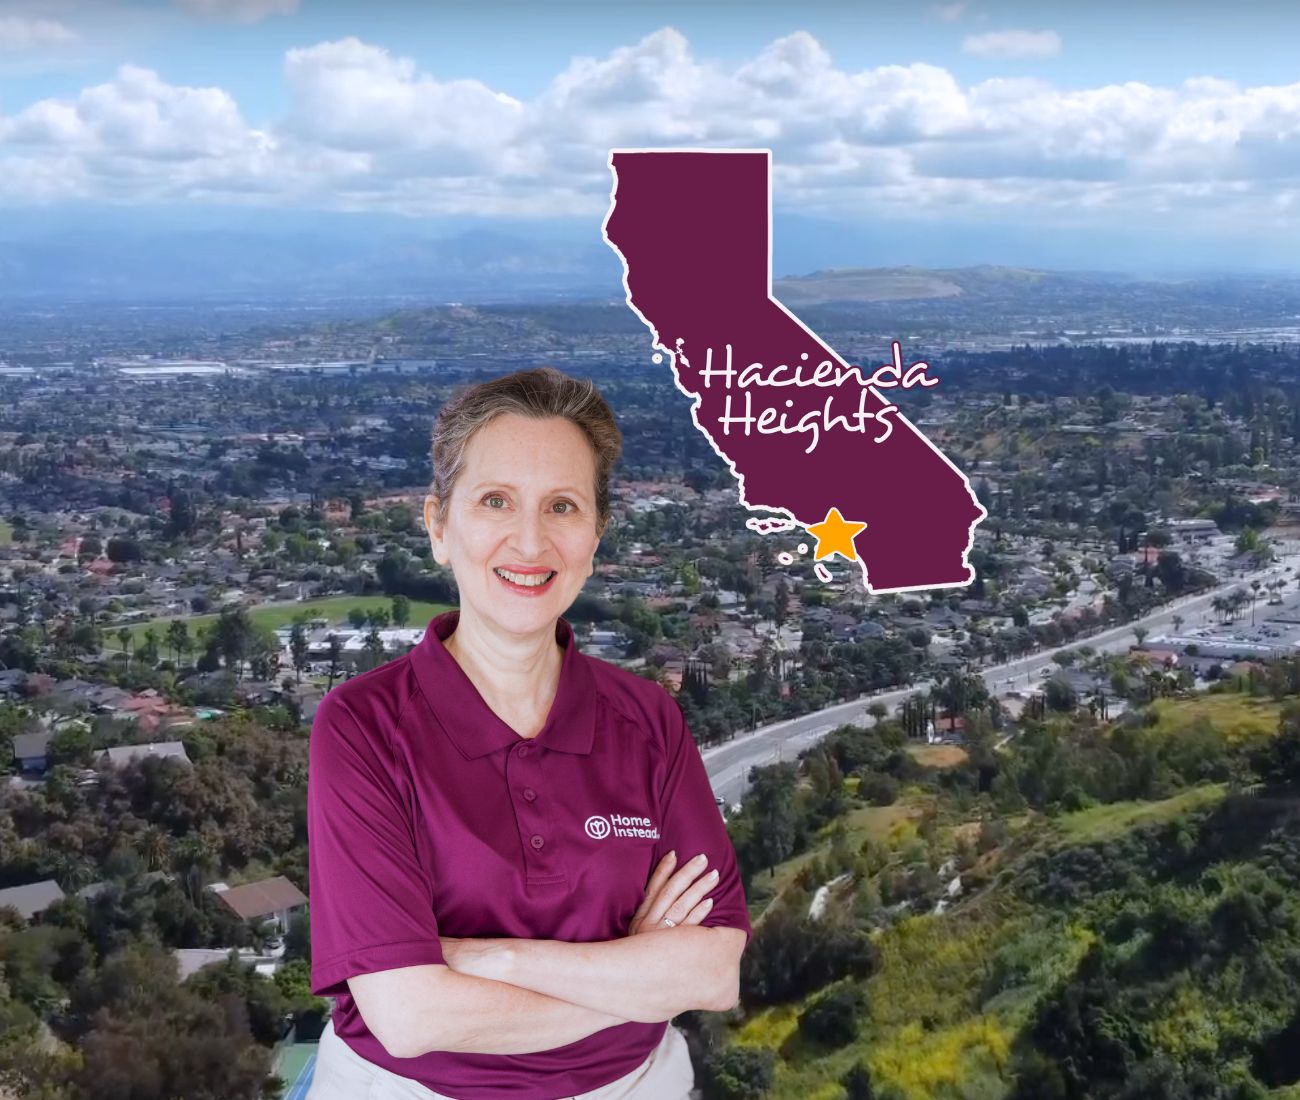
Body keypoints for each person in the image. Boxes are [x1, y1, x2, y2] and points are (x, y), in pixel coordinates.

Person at [307, 366, 752, 1100]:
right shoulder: (363, 726)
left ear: (597, 533)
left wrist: (494, 961)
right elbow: (410, 1015)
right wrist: (633, 972)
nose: (529, 539)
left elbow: (709, 973)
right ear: (438, 526)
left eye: (563, 506)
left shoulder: (646, 720)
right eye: (495, 501)